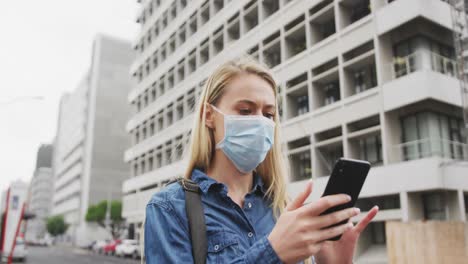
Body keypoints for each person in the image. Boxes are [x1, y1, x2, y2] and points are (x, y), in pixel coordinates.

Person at [144, 56, 379, 263]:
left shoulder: (281, 209)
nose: (260, 122)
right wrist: (272, 254)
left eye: (269, 114)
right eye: (245, 111)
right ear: (209, 116)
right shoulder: (170, 208)